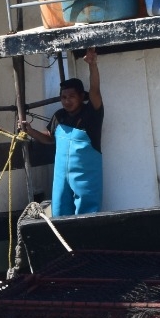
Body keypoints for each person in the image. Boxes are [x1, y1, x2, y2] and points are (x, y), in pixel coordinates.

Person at [25, 47, 103, 216]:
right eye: (63, 97)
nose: (67, 101)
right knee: (59, 212)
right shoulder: (59, 116)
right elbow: (49, 139)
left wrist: (92, 64)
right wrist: (30, 131)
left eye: (71, 97)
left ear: (82, 96)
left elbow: (95, 90)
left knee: (87, 213)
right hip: (61, 177)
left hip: (86, 176)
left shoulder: (91, 112)